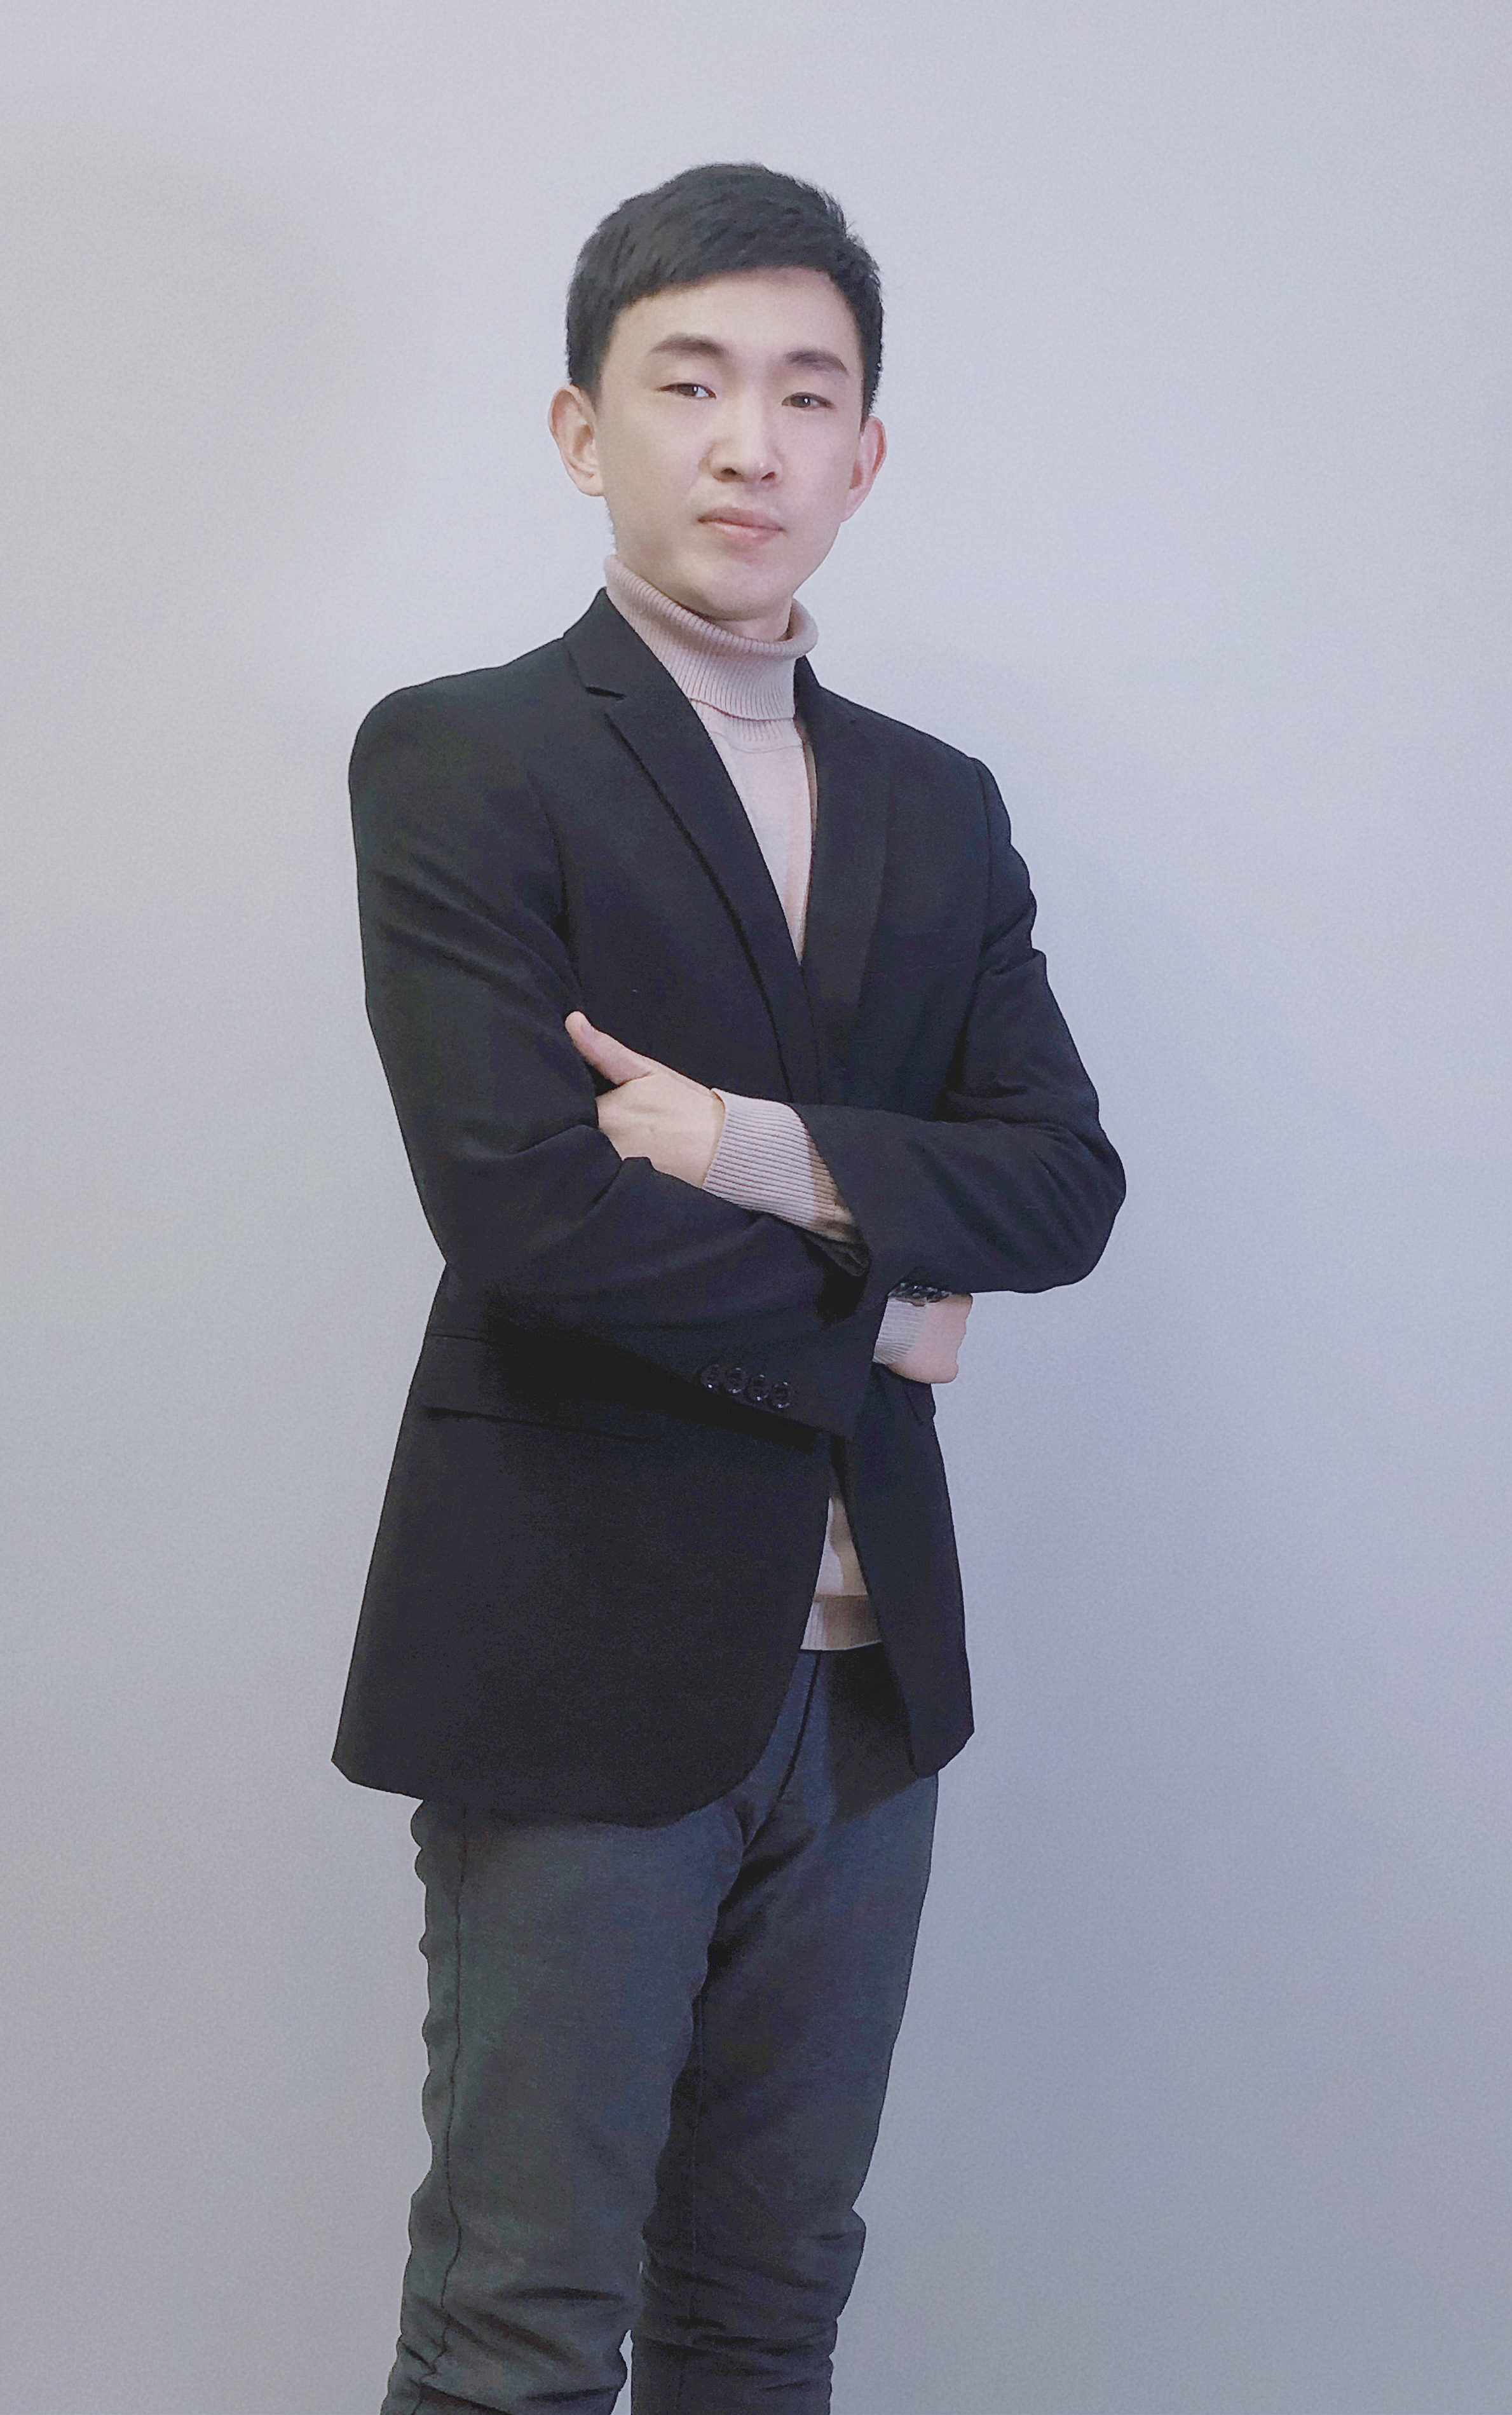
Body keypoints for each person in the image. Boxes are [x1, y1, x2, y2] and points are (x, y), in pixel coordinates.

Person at [335, 160, 1125, 2415]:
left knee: (768, 2316)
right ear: (579, 428)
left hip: (871, 1693)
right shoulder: (464, 754)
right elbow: (524, 1211)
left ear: (865, 453)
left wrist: (753, 1149)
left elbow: (1061, 1187)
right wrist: (887, 1306)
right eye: (686, 384)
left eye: (804, 392)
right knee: (518, 2321)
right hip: (576, 1649)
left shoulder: (937, 806)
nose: (746, 442)